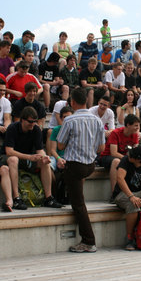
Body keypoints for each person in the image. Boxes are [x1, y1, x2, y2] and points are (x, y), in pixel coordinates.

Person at [56, 87, 106, 253]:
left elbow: (60, 145)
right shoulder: (97, 120)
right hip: (90, 164)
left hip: (74, 165)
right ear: (87, 101)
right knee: (78, 197)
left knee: (78, 204)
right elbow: (101, 148)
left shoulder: (69, 121)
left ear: (72, 102)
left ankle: (88, 241)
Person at [5, 106, 63, 208]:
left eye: (35, 121)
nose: (33, 124)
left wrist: (44, 157)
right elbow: (9, 151)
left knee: (44, 162)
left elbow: (39, 149)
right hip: (11, 158)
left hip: (28, 158)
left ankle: (49, 198)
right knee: (13, 160)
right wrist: (29, 157)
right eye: (30, 122)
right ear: (22, 120)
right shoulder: (12, 128)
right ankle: (16, 198)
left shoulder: (36, 129)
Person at [98, 114, 140, 196]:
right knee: (116, 161)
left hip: (124, 157)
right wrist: (128, 158)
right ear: (128, 125)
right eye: (136, 125)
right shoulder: (116, 133)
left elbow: (135, 150)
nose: (138, 128)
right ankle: (114, 193)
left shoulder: (135, 134)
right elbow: (114, 153)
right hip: (106, 157)